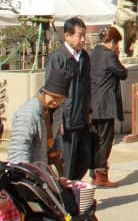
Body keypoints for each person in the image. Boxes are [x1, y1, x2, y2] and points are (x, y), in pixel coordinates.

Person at [45, 16, 92, 180]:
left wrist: (88, 113)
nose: (83, 39)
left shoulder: (84, 57)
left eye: (84, 35)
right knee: (67, 164)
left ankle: (75, 194)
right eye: (79, 35)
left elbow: (87, 88)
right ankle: (67, 200)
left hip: (82, 118)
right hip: (66, 120)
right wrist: (58, 121)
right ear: (67, 35)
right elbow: (52, 93)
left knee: (84, 159)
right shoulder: (59, 58)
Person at [89, 26, 128, 188]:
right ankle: (101, 174)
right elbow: (123, 73)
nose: (117, 46)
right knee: (105, 140)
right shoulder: (110, 56)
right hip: (105, 104)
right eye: (116, 43)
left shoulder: (92, 54)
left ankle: (94, 172)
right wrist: (117, 57)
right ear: (111, 42)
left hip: (92, 103)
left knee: (95, 139)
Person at [8, 68, 70, 164]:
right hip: (27, 172)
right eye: (54, 97)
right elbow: (19, 148)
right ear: (45, 92)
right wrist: (24, 173)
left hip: (41, 168)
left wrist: (58, 149)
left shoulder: (57, 110)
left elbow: (56, 133)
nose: (56, 102)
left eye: (61, 99)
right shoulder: (29, 113)